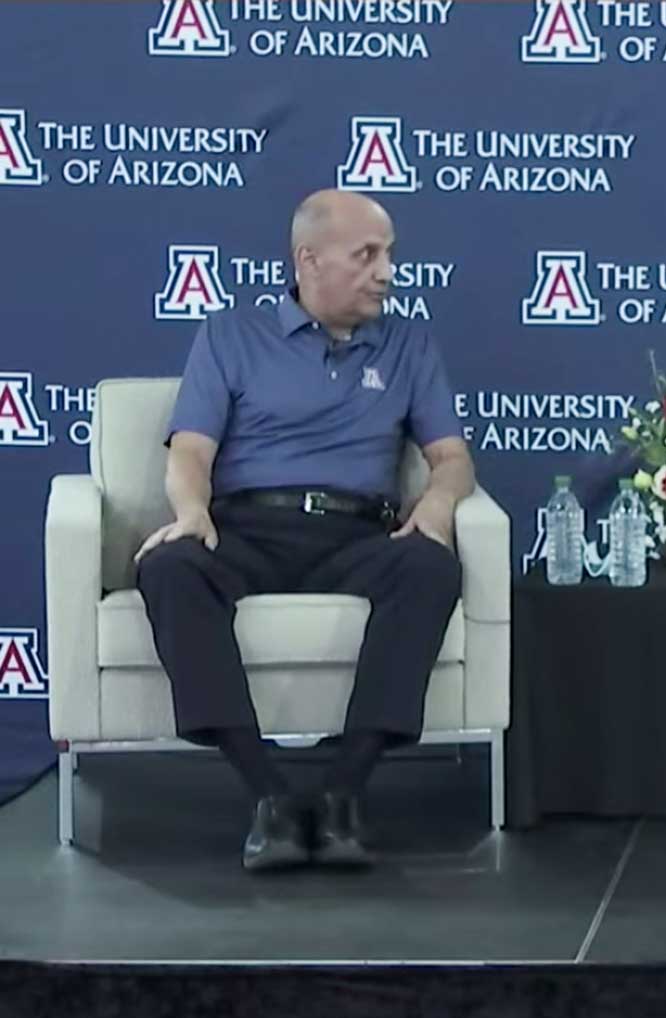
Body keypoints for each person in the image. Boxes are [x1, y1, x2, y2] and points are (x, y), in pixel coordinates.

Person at [134, 189, 475, 872]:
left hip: (357, 537)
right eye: (368, 255)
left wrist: (436, 507)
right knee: (169, 567)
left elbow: (451, 459)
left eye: (390, 256)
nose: (386, 272)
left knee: (431, 568)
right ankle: (271, 797)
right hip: (249, 529)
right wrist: (192, 512)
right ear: (309, 260)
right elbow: (191, 452)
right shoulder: (231, 334)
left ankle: (346, 790)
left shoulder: (408, 343)